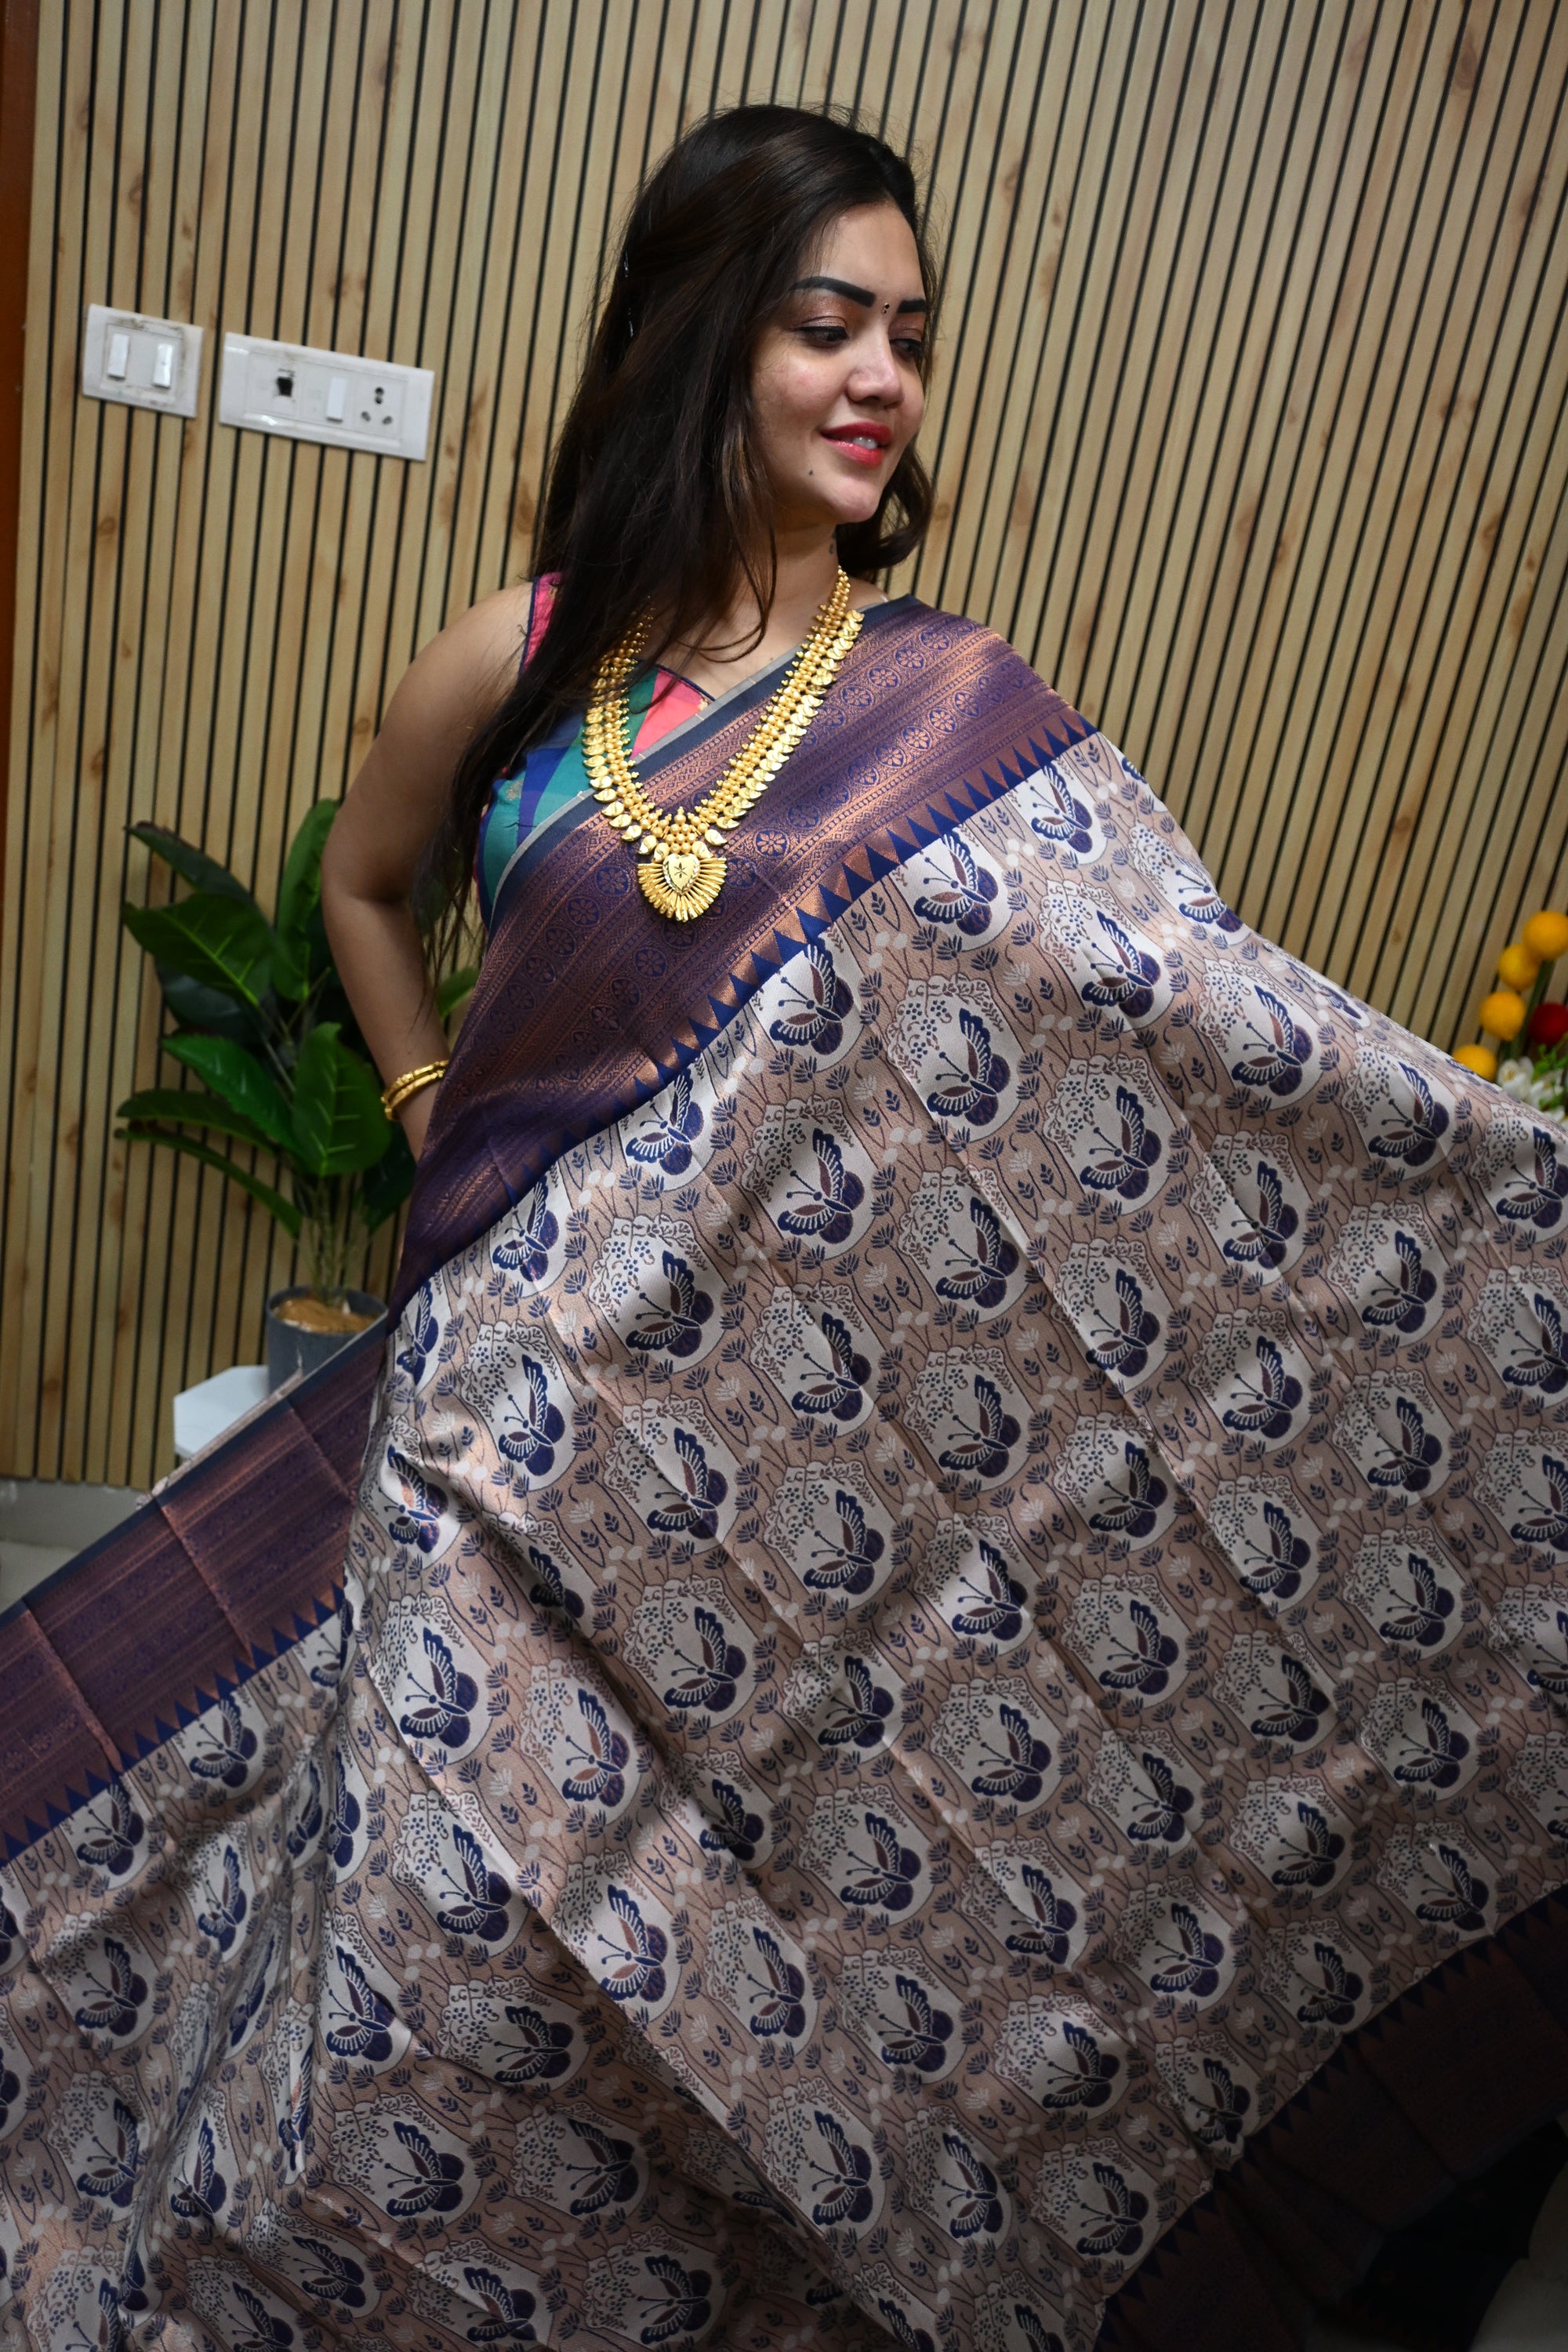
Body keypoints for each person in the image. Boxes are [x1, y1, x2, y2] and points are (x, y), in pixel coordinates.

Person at [4, 102, 1567, 2352]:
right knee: (442, 1922)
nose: (881, 379)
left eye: (910, 336)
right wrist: (434, 1106)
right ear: (701, 333)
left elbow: (1167, 1007)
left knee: (802, 1935)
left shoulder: (954, 707)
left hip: (777, 1462)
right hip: (508, 1416)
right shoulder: (523, 656)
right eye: (829, 323)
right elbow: (363, 882)